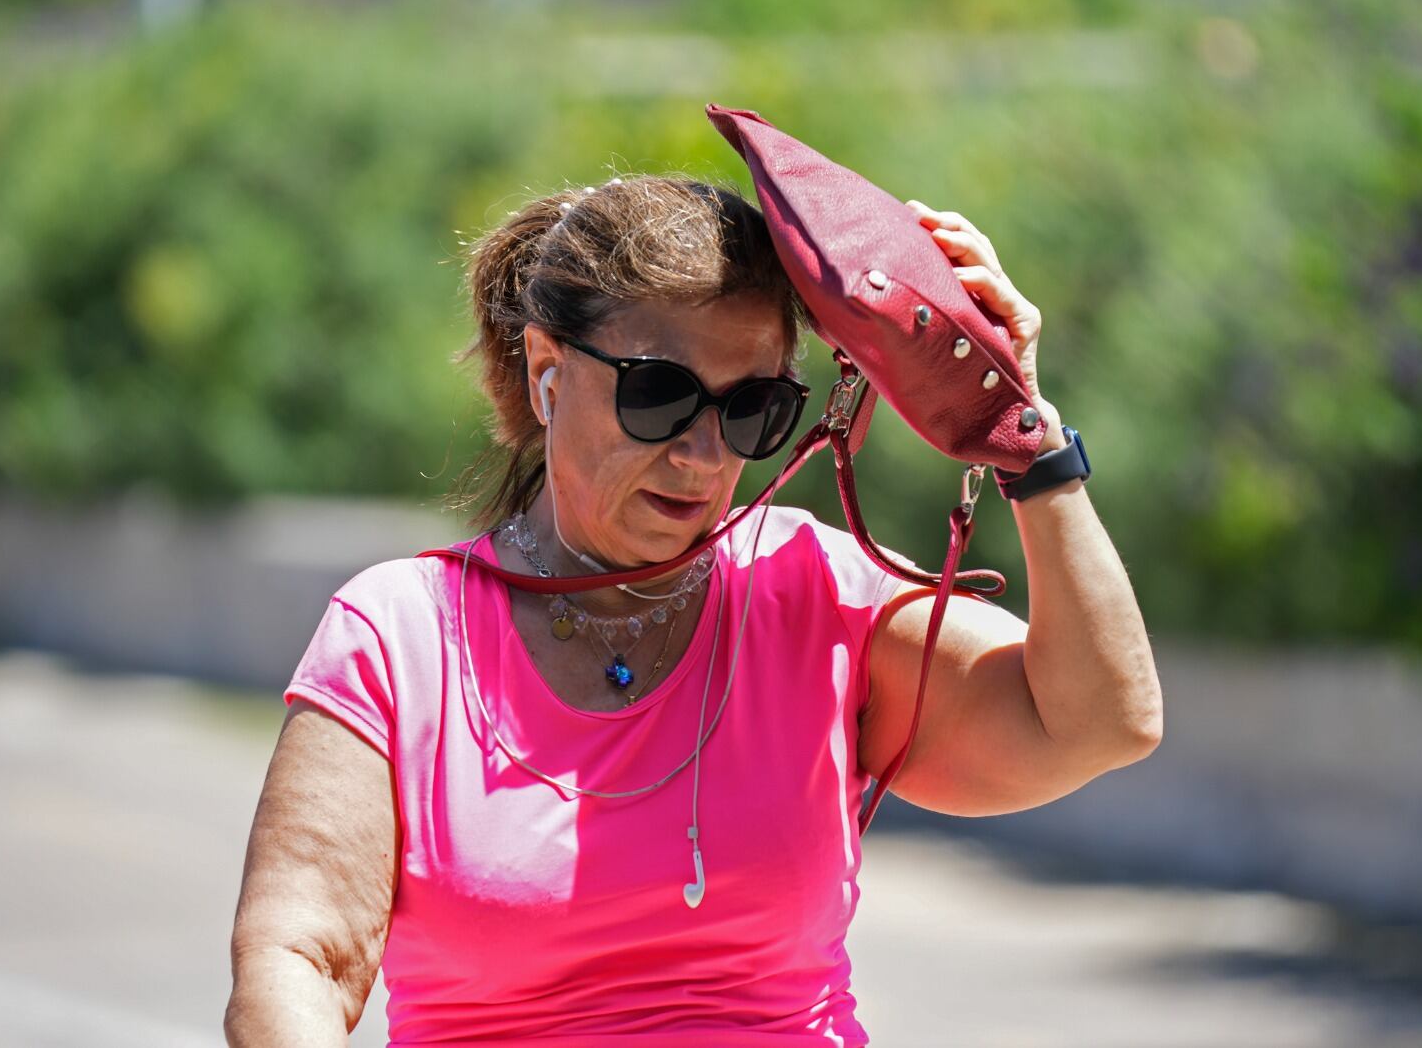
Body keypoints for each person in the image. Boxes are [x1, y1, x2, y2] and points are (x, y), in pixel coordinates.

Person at [225, 175, 1162, 1046]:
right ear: (549, 372)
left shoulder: (809, 590)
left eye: (753, 408)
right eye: (660, 395)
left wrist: (1022, 437)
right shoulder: (401, 633)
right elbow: (298, 957)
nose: (705, 455)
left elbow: (1096, 724)